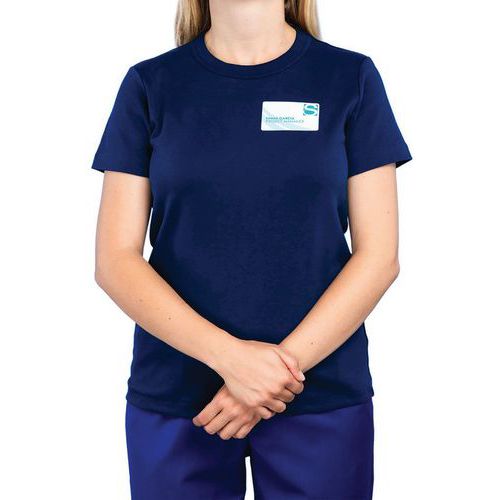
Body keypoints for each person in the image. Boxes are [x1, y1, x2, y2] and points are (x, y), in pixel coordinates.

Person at [92, 0, 411, 498]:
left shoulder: (350, 78)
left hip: (318, 392)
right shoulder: (150, 85)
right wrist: (232, 361)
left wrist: (273, 375)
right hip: (180, 395)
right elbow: (115, 260)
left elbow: (379, 257)